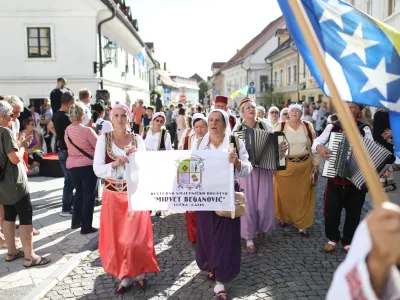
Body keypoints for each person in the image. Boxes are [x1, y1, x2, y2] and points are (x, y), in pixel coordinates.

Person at [93, 104, 159, 294]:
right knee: (119, 239)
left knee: (136, 237)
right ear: (111, 119)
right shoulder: (103, 140)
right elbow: (97, 169)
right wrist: (113, 164)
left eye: (123, 115)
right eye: (116, 116)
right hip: (113, 195)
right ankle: (125, 275)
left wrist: (136, 158)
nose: (120, 119)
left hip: (134, 194)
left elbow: (146, 167)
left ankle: (140, 273)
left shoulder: (137, 140)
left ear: (129, 118)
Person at [195, 109, 252, 300]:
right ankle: (213, 265)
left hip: (226, 194)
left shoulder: (235, 142)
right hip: (204, 197)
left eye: (217, 121)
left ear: (225, 123)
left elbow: (248, 169)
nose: (212, 124)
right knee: (207, 235)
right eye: (210, 120)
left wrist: (237, 163)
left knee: (224, 237)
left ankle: (221, 280)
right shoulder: (201, 144)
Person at [313, 102, 372, 253]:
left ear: (358, 110)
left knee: (354, 212)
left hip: (356, 180)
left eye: (352, 107)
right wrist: (320, 148)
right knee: (331, 211)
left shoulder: (364, 129)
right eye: (345, 106)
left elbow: (371, 151)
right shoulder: (333, 127)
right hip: (335, 178)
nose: (348, 109)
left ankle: (348, 241)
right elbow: (316, 142)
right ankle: (332, 238)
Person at [0, 100, 51, 267]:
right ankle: (30, 256)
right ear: (2, 117)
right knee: (25, 216)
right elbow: (15, 159)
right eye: (9, 116)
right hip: (14, 181)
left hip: (2, 183)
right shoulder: (5, 132)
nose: (12, 119)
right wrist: (21, 146)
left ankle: (11, 252)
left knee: (8, 214)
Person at [327, 202, 400, 299]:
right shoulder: (383, 223)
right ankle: (334, 238)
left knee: (353, 213)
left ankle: (347, 241)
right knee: (333, 210)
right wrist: (378, 264)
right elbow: (342, 291)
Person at [233, 99, 275, 253]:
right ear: (242, 111)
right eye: (248, 107)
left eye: (253, 107)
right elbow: (234, 149)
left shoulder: (265, 125)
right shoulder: (237, 129)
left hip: (264, 168)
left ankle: (262, 227)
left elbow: (276, 144)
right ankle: (248, 236)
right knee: (248, 204)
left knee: (264, 203)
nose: (251, 109)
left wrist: (282, 148)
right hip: (246, 172)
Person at [274, 104, 319, 237]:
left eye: (297, 110)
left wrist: (316, 164)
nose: (294, 112)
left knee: (303, 196)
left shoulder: (308, 126)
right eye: (292, 110)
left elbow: (314, 147)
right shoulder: (281, 126)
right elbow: (273, 146)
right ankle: (284, 217)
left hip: (305, 166)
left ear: (301, 113)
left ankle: (302, 225)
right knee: (284, 194)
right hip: (286, 166)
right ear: (288, 113)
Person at [64, 102, 98, 234]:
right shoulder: (87, 130)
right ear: (83, 115)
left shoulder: (67, 130)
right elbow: (98, 146)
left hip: (72, 166)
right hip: (87, 166)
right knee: (88, 196)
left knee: (78, 193)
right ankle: (86, 226)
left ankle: (76, 221)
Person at [184, 113, 208, 246]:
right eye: (197, 127)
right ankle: (195, 236)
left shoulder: (211, 140)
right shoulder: (193, 140)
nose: (199, 130)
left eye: (202, 127)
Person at [51, 92, 75, 217]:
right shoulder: (66, 117)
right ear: (70, 102)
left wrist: (58, 136)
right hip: (66, 151)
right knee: (69, 180)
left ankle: (69, 205)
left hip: (61, 149)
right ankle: (66, 208)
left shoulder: (56, 114)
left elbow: (50, 126)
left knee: (69, 179)